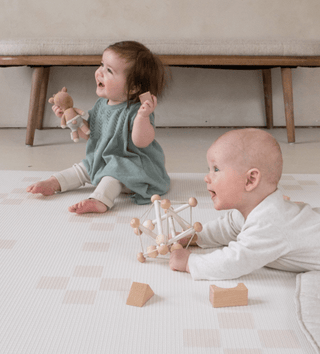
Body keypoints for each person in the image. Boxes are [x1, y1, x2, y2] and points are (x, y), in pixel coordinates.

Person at [27, 41, 170, 214]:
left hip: (132, 165)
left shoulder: (138, 111)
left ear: (133, 87)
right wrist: (71, 117)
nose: (99, 72)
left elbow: (141, 142)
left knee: (112, 174)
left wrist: (143, 117)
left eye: (109, 70)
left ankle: (99, 200)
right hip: (105, 159)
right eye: (102, 65)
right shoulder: (101, 104)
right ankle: (54, 182)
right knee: (84, 167)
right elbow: (91, 134)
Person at [169, 128, 320, 280]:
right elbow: (228, 227)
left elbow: (234, 261)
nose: (206, 178)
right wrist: (195, 237)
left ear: (250, 180)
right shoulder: (253, 208)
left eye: (216, 169)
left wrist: (190, 262)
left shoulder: (269, 223)